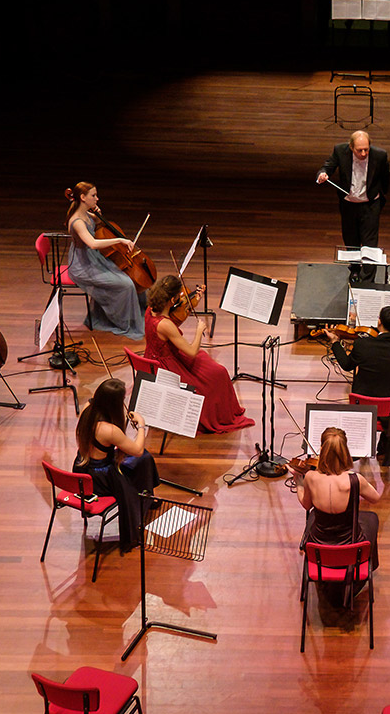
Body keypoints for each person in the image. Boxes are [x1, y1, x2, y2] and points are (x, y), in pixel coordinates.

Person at [144, 274, 253, 434]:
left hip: (152, 359)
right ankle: (220, 416)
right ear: (173, 300)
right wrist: (199, 331)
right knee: (216, 375)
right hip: (167, 367)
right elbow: (191, 351)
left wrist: (193, 301)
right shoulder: (165, 325)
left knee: (214, 369)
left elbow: (175, 320)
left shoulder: (150, 310)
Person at [75, 378, 160, 553]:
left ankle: (146, 498)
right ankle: (142, 500)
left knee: (142, 459)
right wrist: (142, 425)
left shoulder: (87, 408)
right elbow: (137, 449)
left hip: (82, 467)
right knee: (143, 457)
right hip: (101, 477)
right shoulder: (109, 430)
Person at [324, 305, 390, 467]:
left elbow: (345, 365)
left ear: (379, 322)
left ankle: (360, 445)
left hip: (362, 405)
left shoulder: (362, 345)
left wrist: (335, 342)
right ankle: (387, 447)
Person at [293, 426, 382, 574]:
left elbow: (306, 505)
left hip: (318, 547)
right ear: (345, 452)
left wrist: (298, 482)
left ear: (322, 449)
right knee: (372, 519)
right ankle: (366, 569)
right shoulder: (355, 480)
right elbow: (375, 498)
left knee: (314, 517)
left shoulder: (310, 477)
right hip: (351, 545)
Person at [64, 182, 145, 340]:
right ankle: (123, 322)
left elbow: (99, 226)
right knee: (125, 284)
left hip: (93, 259)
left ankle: (131, 313)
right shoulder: (78, 222)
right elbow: (93, 244)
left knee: (129, 277)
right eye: (93, 195)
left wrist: (99, 217)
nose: (97, 198)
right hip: (83, 265)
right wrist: (119, 240)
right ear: (82, 197)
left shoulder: (87, 215)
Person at [316, 129, 390, 252]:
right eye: (359, 150)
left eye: (366, 150)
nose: (363, 153)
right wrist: (323, 174)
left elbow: (385, 176)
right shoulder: (340, 151)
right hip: (348, 203)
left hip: (370, 203)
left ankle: (368, 271)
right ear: (351, 147)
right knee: (351, 239)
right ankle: (355, 270)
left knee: (370, 242)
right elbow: (327, 167)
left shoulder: (380, 155)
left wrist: (381, 193)